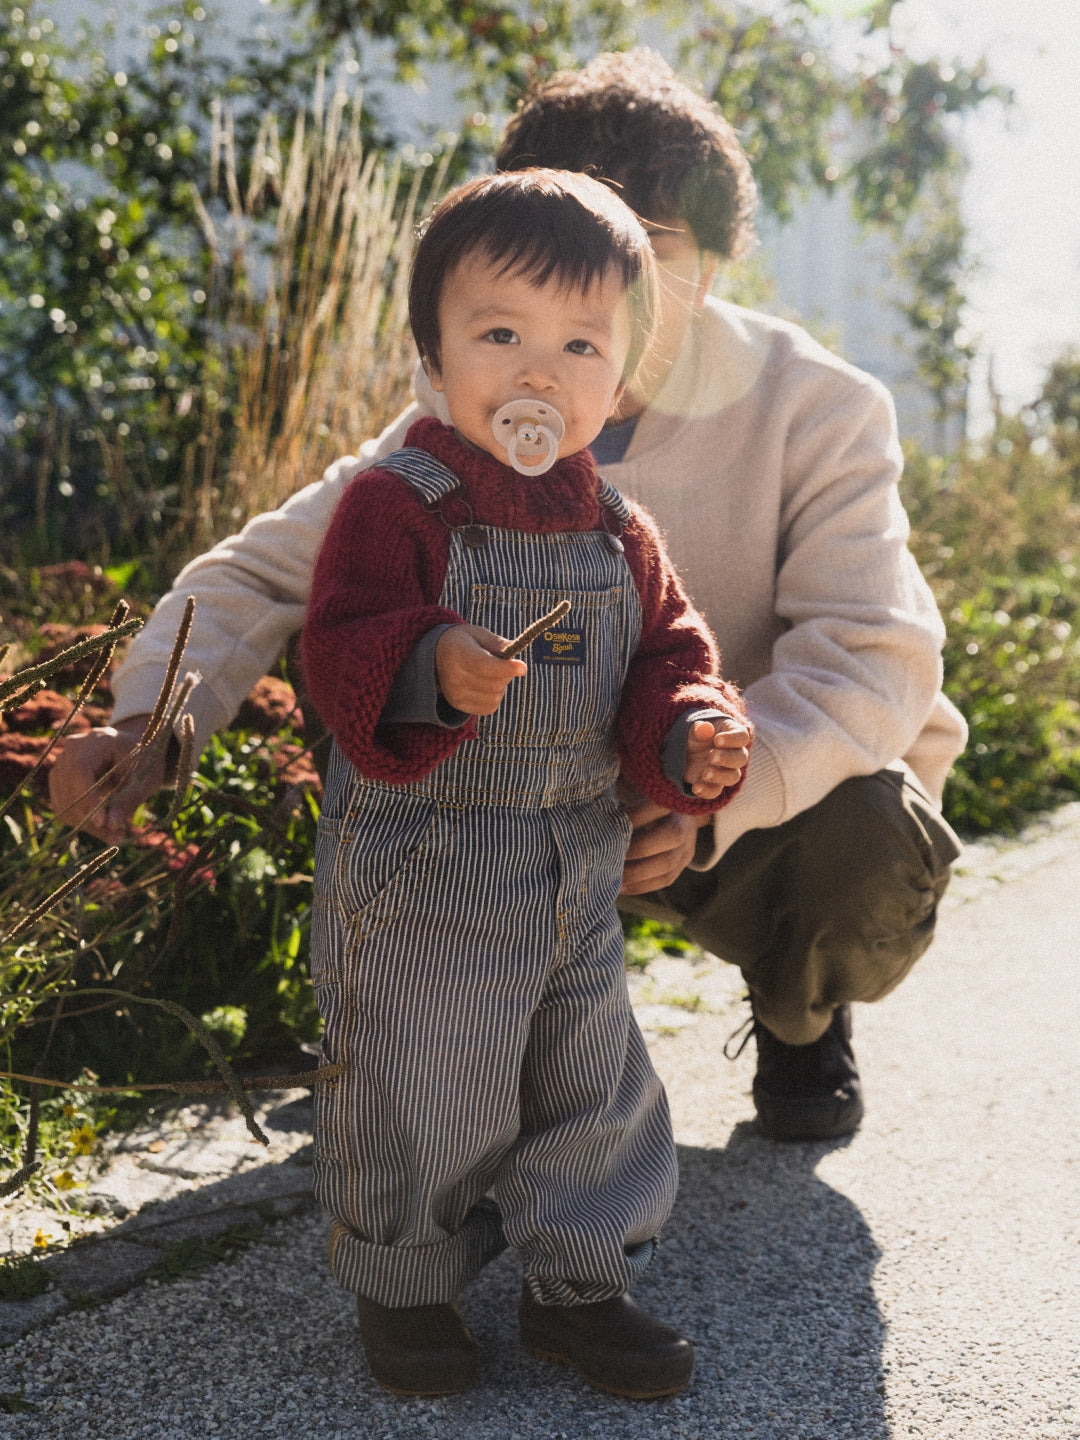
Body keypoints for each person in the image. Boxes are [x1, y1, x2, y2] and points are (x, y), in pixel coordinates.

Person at [50, 50, 965, 1146]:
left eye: (650, 253)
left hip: (731, 795)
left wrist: (710, 795)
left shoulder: (821, 408)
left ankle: (797, 1007)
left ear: (719, 265)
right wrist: (152, 721)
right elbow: (257, 575)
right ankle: (421, 1034)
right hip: (520, 795)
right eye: (565, 257)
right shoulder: (458, 424)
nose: (605, 288)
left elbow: (874, 660)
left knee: (862, 834)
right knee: (372, 663)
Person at [302, 168, 751, 1398]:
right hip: (426, 859)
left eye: (579, 344)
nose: (538, 371)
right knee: (421, 1084)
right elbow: (338, 638)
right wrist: (427, 664)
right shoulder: (400, 502)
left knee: (590, 1076)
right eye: (500, 334)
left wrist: (690, 733)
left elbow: (667, 654)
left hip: (573, 860)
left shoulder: (617, 529)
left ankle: (579, 1284)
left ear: (623, 380)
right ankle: (407, 1288)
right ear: (435, 355)